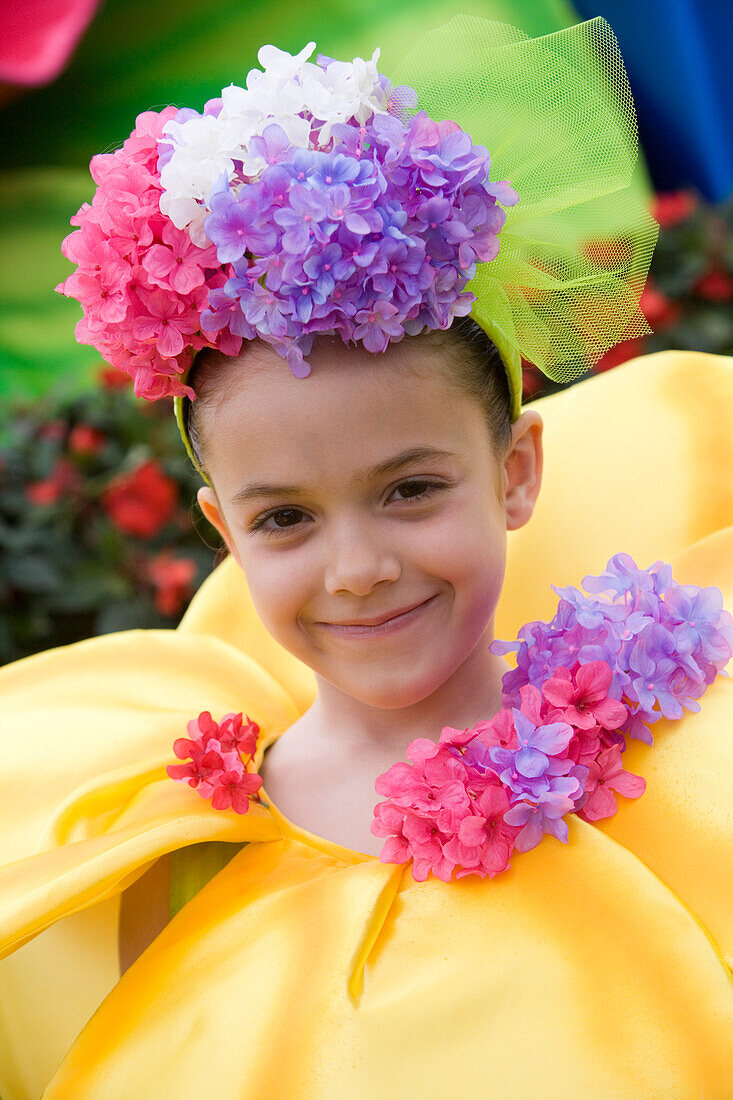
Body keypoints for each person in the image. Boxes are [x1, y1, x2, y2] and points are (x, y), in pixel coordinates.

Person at [1, 16, 732, 1099]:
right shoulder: (179, 846)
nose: (356, 567)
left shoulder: (684, 749)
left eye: (409, 490)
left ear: (518, 469)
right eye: (287, 518)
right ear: (222, 530)